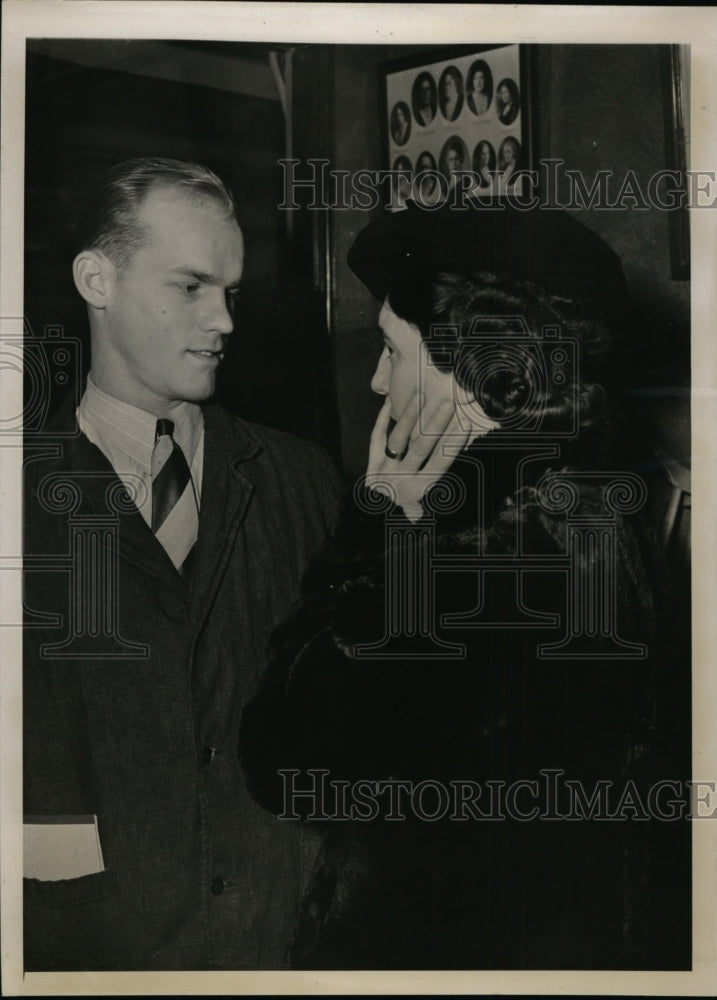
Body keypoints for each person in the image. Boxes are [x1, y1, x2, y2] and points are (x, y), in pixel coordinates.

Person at [239, 200, 690, 970]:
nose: (379, 381)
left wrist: (378, 523)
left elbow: (285, 761)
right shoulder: (588, 500)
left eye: (391, 349)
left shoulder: (487, 550)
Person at [23, 157, 342, 971]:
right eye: (191, 286)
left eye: (231, 292)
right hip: (87, 948)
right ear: (97, 278)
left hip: (284, 940)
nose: (225, 320)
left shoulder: (302, 479)